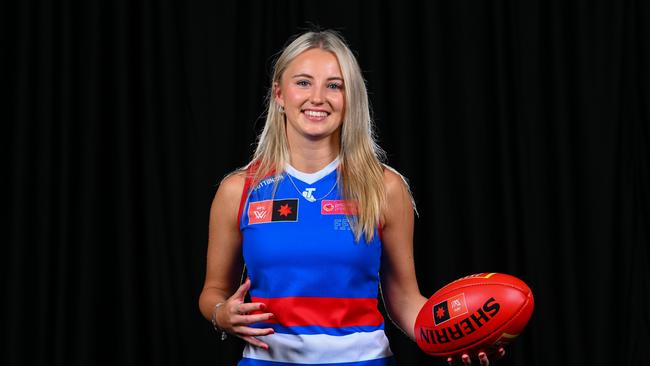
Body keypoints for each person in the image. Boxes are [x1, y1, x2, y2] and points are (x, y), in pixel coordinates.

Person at [199, 30, 504, 366]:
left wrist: (458, 336)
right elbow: (213, 291)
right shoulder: (238, 190)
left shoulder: (384, 187)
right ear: (279, 94)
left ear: (350, 98)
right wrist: (221, 314)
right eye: (303, 82)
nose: (318, 97)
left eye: (334, 85)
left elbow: (403, 299)